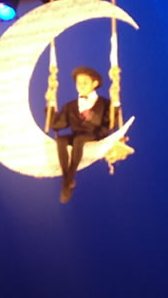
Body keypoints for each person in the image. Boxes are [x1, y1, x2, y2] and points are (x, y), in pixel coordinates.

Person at [48, 66, 118, 203]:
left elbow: (110, 123)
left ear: (94, 83)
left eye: (85, 82)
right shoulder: (70, 106)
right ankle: (67, 179)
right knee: (61, 140)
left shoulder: (104, 104)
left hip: (94, 134)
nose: (81, 86)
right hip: (77, 135)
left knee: (79, 140)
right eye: (78, 83)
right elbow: (58, 125)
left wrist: (115, 105)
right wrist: (50, 106)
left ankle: (69, 178)